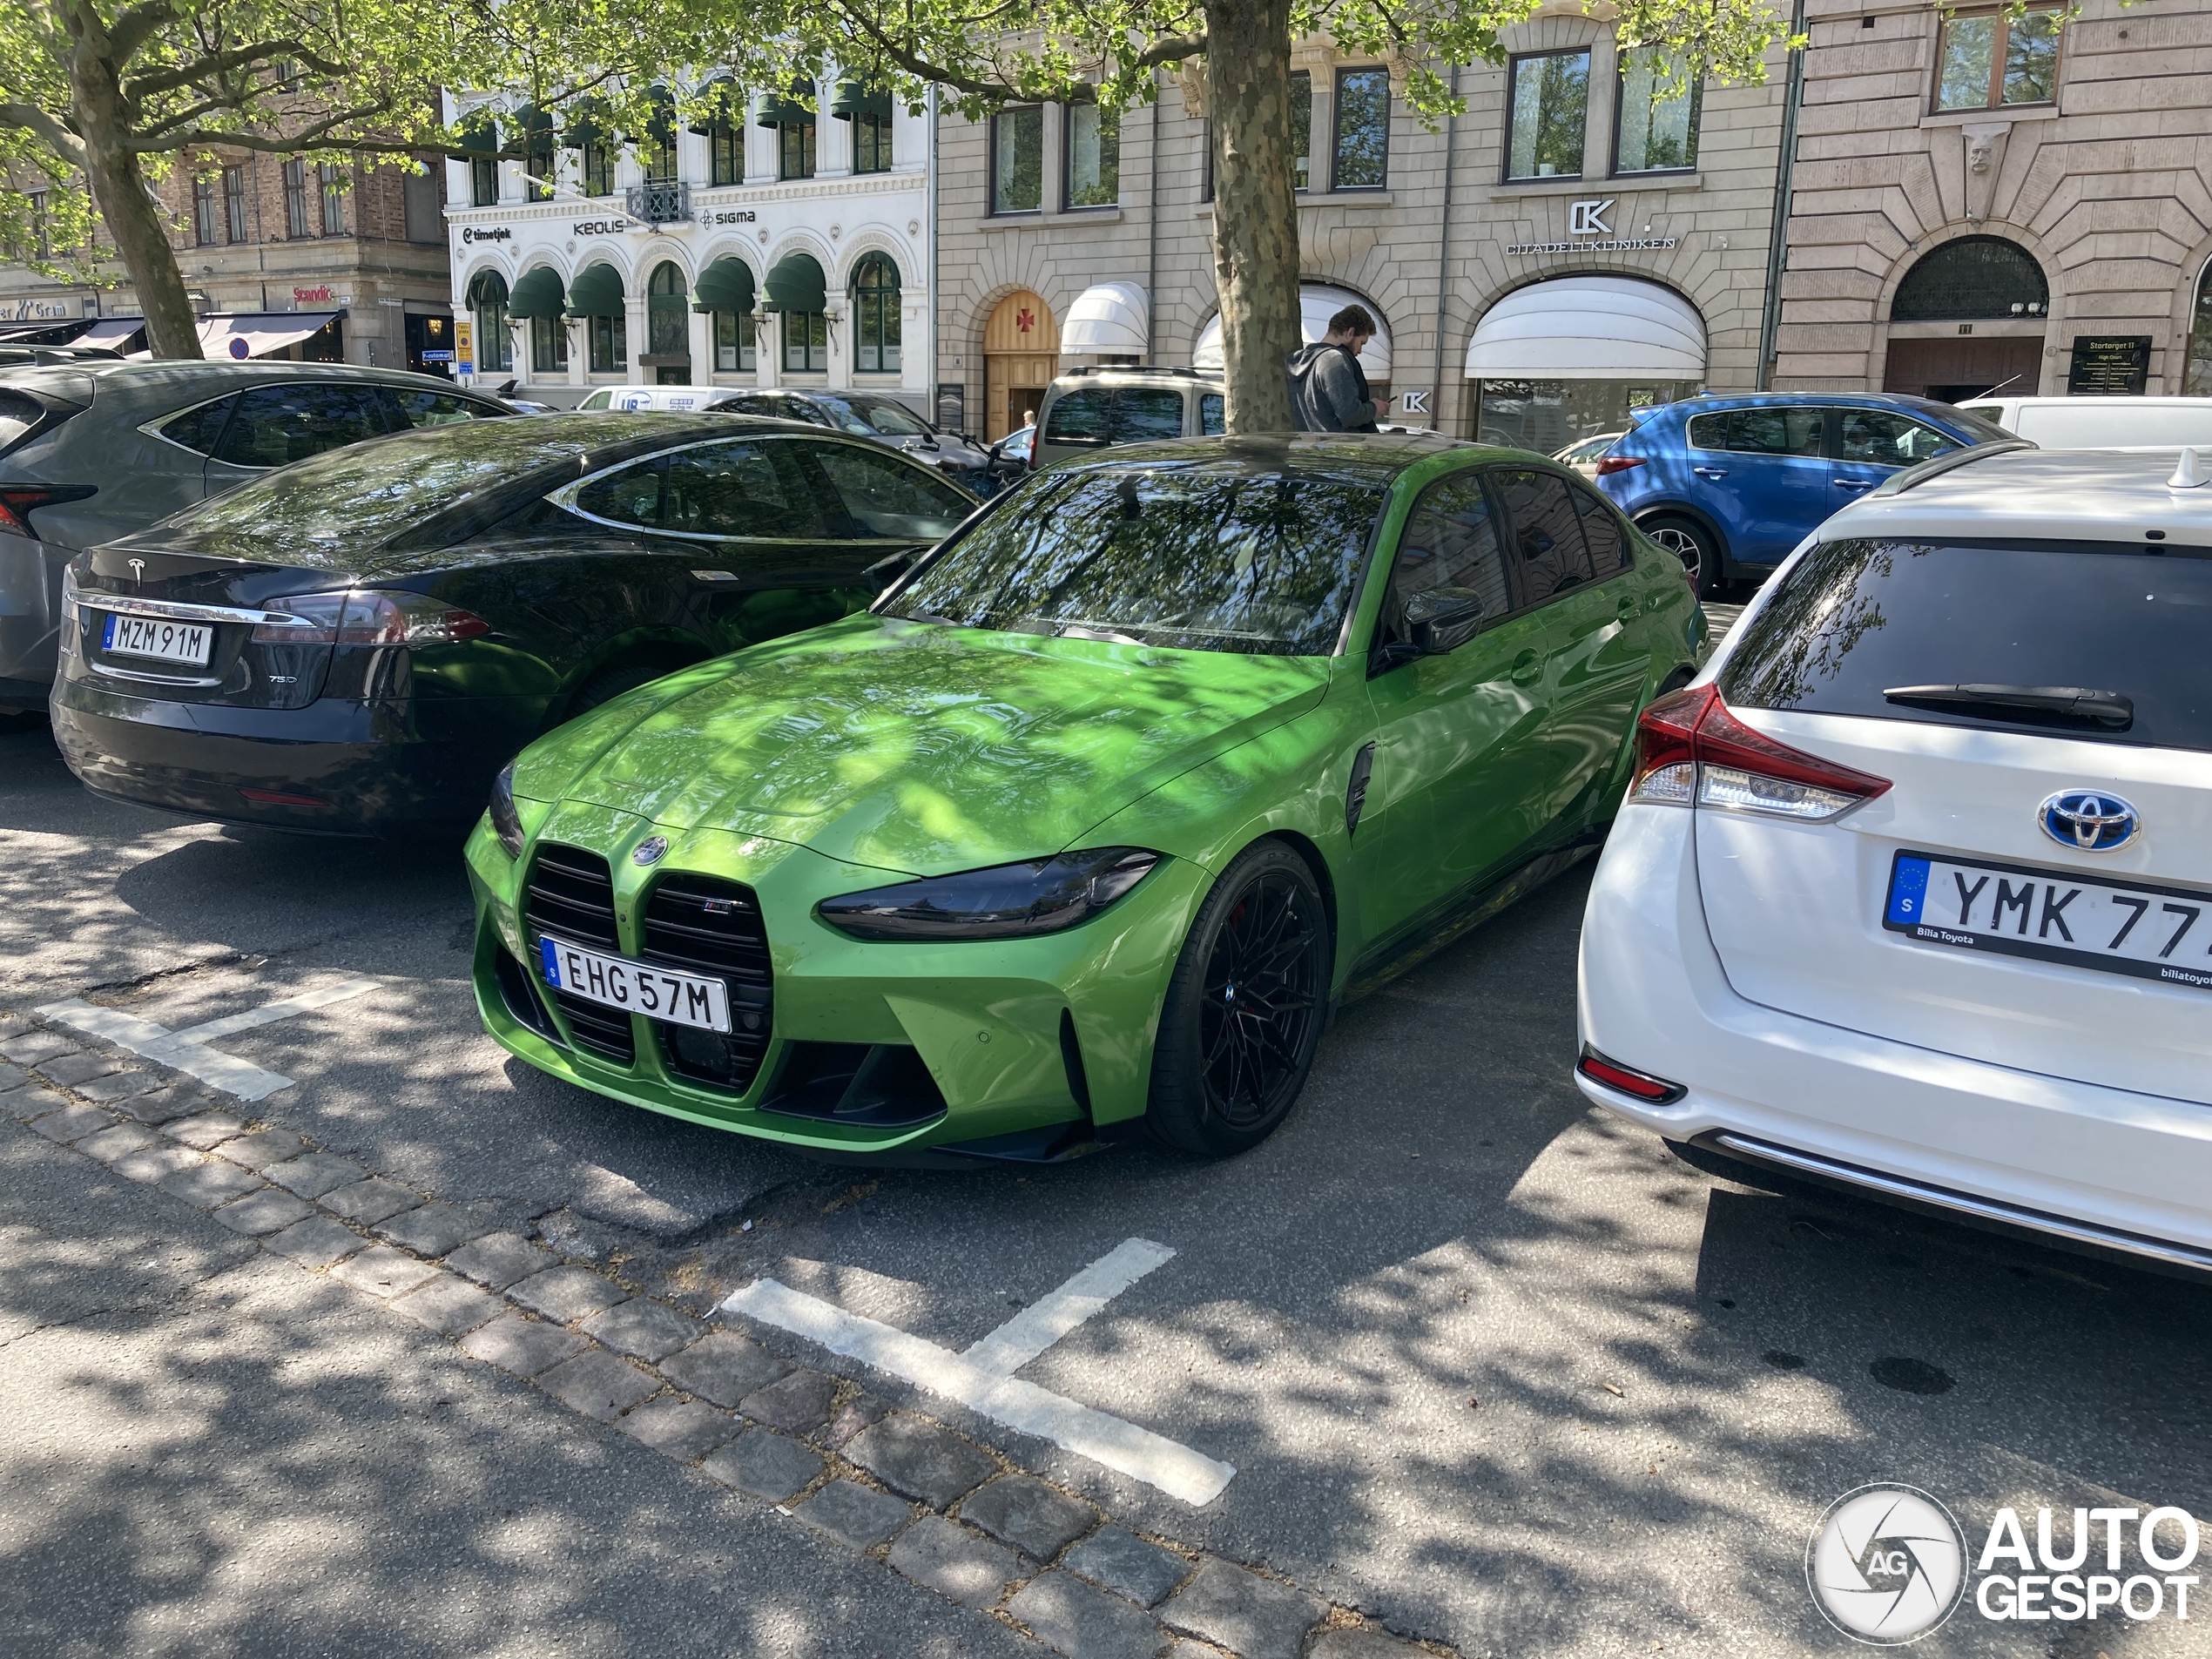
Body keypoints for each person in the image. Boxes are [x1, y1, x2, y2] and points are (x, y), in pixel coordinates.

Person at [1286, 305, 1383, 433]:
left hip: (1311, 445)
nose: (1359, 351)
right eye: (1361, 343)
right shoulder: (1333, 359)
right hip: (1342, 448)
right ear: (1350, 333)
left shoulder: (1299, 362)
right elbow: (1350, 415)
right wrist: (1374, 408)